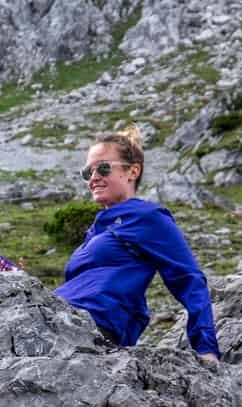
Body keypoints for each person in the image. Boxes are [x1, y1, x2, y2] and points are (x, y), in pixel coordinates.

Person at [53, 126, 221, 363]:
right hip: (58, 318)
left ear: (132, 171)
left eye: (102, 168)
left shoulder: (148, 217)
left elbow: (189, 278)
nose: (93, 178)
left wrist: (206, 348)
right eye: (87, 172)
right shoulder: (96, 228)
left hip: (93, 329)